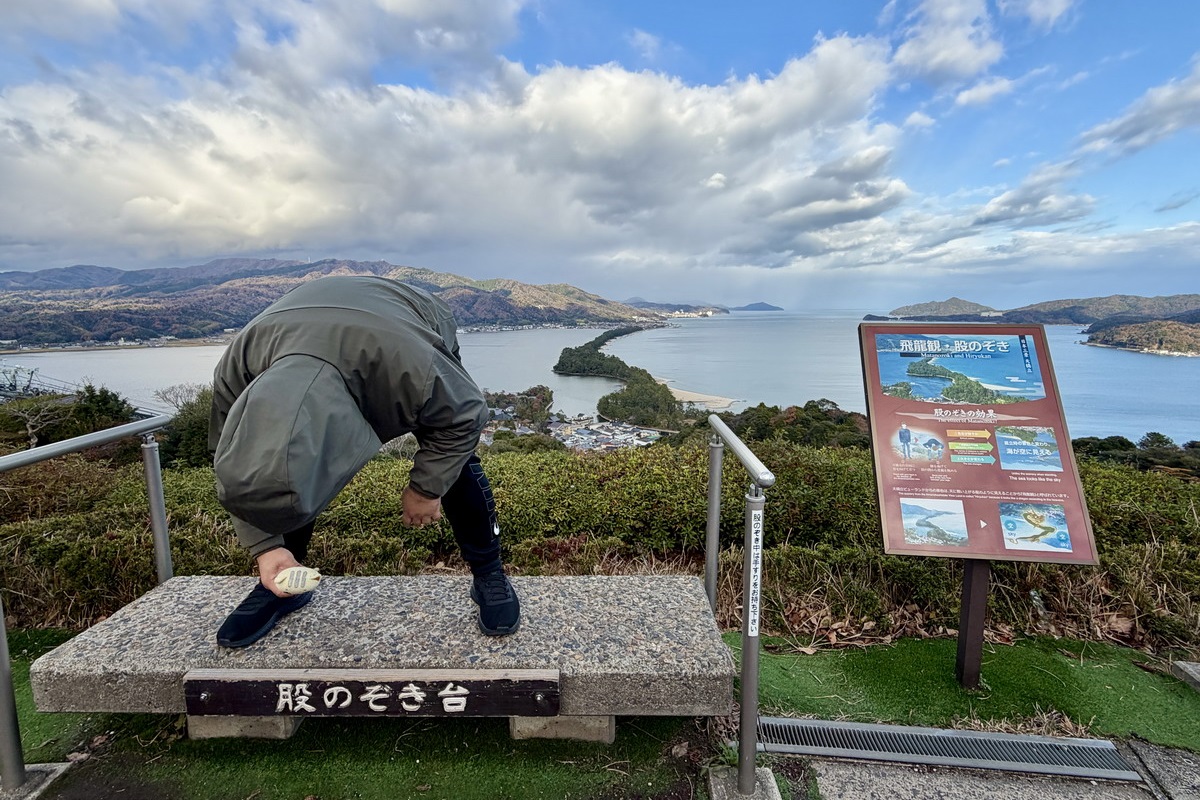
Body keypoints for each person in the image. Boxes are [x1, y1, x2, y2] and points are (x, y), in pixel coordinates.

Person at [208, 275, 520, 648]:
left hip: (406, 319)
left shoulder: (414, 367)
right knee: (281, 470)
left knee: (454, 457)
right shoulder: (237, 372)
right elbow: (232, 466)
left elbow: (465, 416)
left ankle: (489, 574)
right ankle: (282, 585)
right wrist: (266, 548)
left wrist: (426, 488)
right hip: (306, 327)